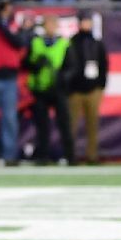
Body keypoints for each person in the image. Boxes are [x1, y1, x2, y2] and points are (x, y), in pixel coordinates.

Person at [25, 15, 73, 165]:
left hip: (58, 89)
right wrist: (36, 64)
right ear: (44, 27)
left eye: (53, 24)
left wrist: (63, 77)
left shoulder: (64, 44)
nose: (51, 28)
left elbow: (72, 66)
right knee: (41, 125)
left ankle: (69, 156)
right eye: (48, 24)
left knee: (64, 124)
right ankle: (43, 155)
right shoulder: (36, 42)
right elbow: (26, 63)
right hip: (40, 89)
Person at [63, 11, 108, 165]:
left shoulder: (96, 43)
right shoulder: (72, 42)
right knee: (72, 125)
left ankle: (92, 155)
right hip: (75, 90)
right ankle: (71, 155)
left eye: (89, 22)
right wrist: (69, 86)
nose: (87, 24)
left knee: (93, 125)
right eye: (84, 21)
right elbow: (67, 65)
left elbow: (104, 65)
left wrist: (101, 86)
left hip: (93, 89)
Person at [0, 0, 24, 166]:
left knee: (9, 118)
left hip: (9, 78)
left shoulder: (12, 25)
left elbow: (19, 42)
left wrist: (2, 24)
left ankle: (9, 155)